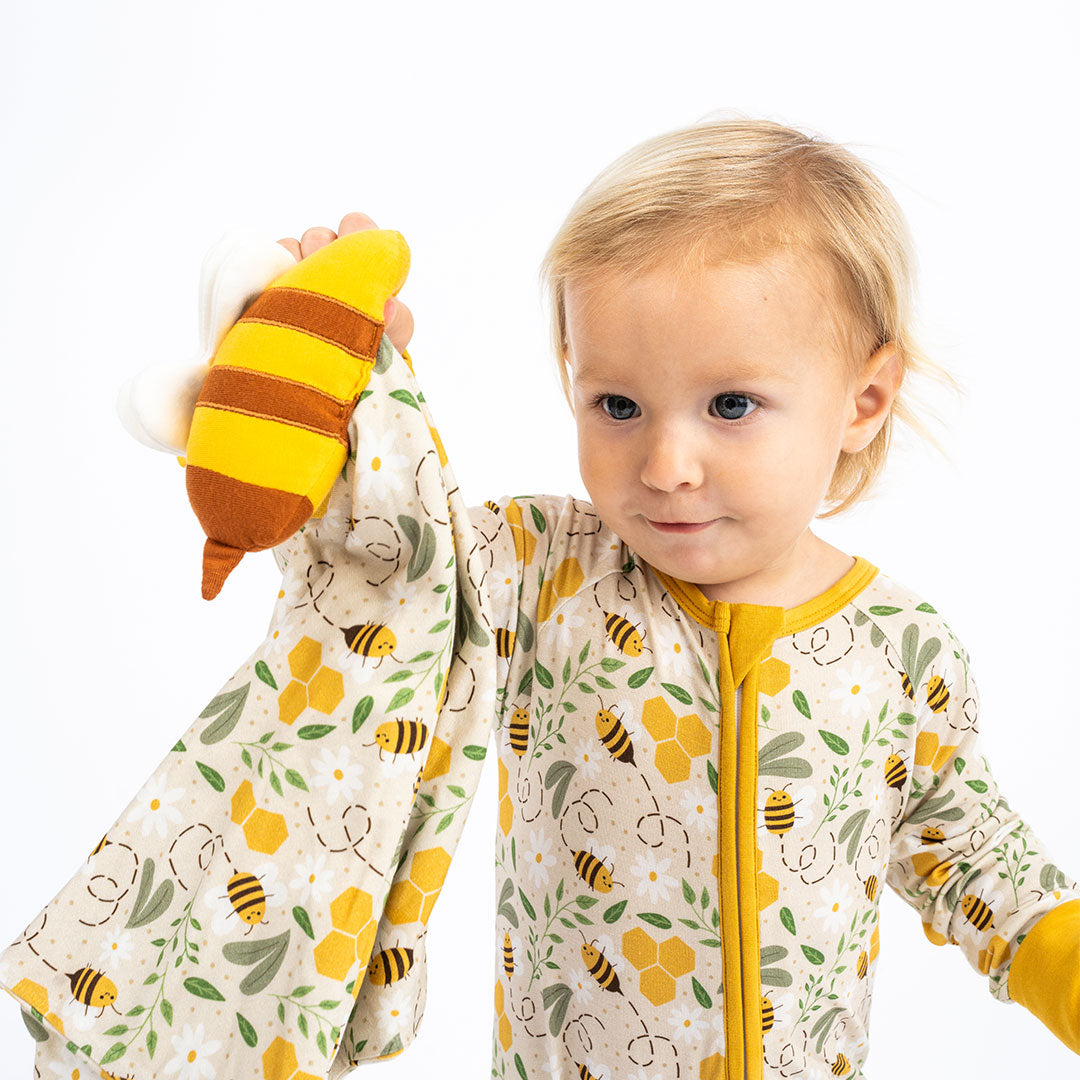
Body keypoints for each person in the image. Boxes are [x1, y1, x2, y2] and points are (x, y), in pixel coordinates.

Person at [7, 116, 1079, 1078]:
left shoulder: (902, 650)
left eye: (731, 405)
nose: (665, 464)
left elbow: (966, 847)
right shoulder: (539, 573)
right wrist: (342, 390)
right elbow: (393, 566)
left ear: (865, 398)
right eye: (616, 403)